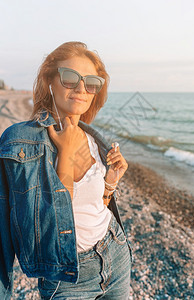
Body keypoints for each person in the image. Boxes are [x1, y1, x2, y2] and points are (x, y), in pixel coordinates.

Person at [0, 41, 132, 299]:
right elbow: (45, 226)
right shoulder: (18, 142)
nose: (81, 89)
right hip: (67, 279)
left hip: (114, 252)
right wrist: (66, 154)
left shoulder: (94, 140)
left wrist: (110, 183)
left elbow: (94, 207)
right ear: (50, 81)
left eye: (91, 82)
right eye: (70, 78)